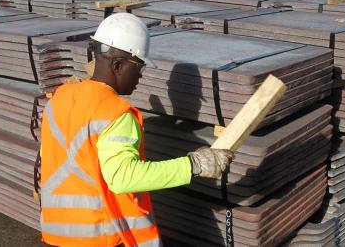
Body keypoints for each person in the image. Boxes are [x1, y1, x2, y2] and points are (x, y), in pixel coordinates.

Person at [39, 13, 233, 247]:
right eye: (139, 65)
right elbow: (123, 177)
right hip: (100, 238)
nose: (140, 74)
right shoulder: (115, 113)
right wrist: (194, 165)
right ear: (118, 66)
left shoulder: (61, 97)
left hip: (56, 234)